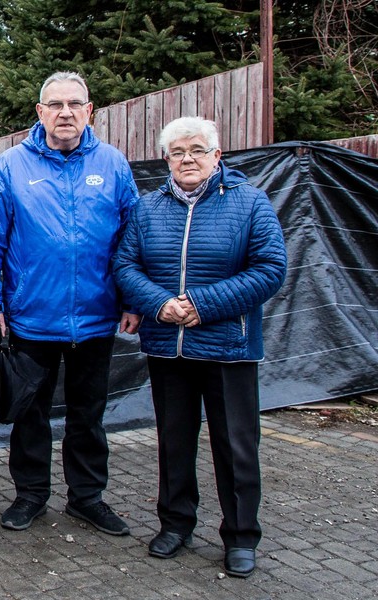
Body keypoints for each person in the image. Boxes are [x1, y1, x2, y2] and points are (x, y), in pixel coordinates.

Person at [114, 117, 286, 578]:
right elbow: (126, 265)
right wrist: (161, 304)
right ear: (166, 159)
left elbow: (270, 268)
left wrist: (202, 305)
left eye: (196, 150)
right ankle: (175, 524)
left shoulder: (250, 203)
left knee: (235, 446)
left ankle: (241, 535)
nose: (187, 159)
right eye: (177, 151)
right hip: (168, 345)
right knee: (174, 442)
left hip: (228, 347)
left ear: (217, 155)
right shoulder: (148, 208)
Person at [0, 72, 140, 535]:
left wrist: (131, 297)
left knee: (89, 416)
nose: (65, 112)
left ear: (90, 110)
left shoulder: (113, 163)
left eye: (74, 104)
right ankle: (30, 495)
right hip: (30, 317)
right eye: (55, 104)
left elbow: (133, 237)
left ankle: (87, 498)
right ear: (40, 112)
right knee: (30, 415)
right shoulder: (11, 166)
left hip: (96, 317)